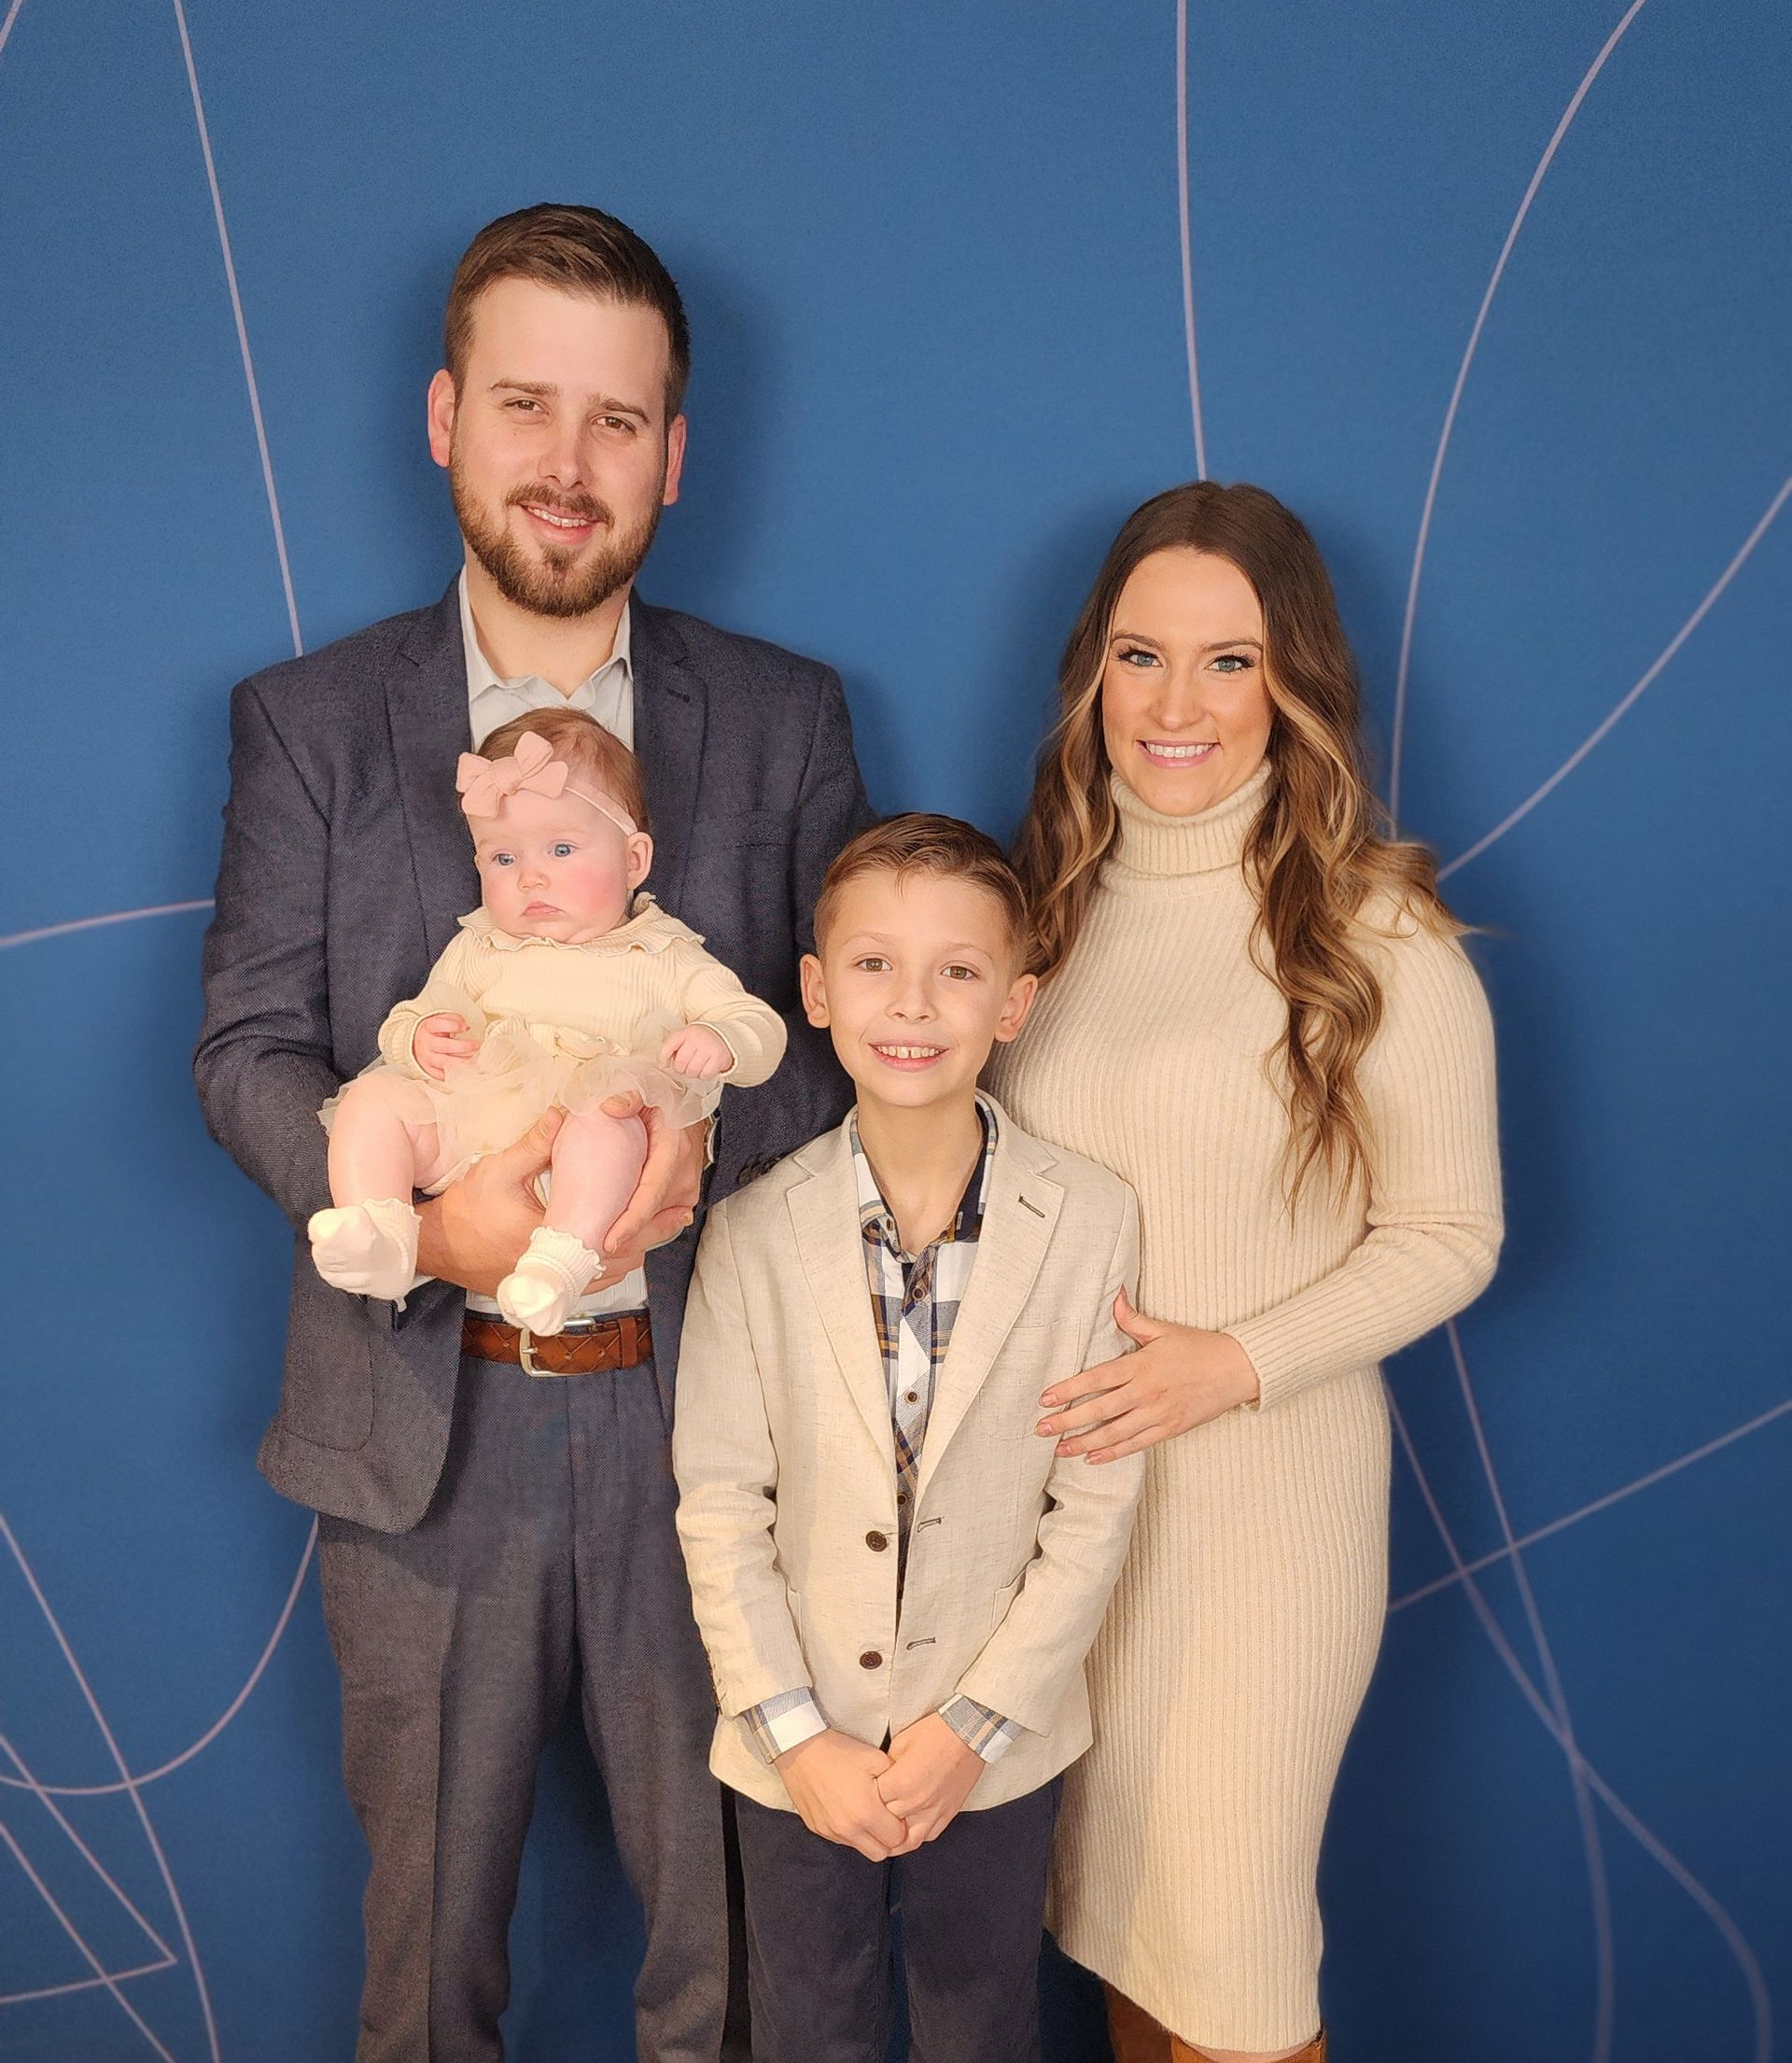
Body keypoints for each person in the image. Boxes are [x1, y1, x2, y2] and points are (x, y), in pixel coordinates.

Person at [194, 203, 871, 2063]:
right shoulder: (312, 725)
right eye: (524, 407)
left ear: (675, 453)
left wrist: (681, 1156)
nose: (567, 468)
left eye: (616, 421)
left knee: (724, 1955)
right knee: (423, 1968)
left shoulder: (786, 719)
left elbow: (846, 1052)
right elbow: (248, 1044)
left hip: (706, 1427)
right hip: (420, 1429)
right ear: (442, 419)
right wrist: (434, 1219)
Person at [989, 481, 1504, 2063]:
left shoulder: (1372, 923)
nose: (1179, 703)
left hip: (1260, 1526)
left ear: (1296, 681)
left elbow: (1450, 1233)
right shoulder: (1046, 910)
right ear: (1093, 672)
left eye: (1231, 660)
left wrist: (1233, 1360)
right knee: (1130, 1950)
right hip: (1067, 1528)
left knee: (1230, 1960)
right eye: (1144, 655)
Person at [673, 815, 1146, 2063]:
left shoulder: (1091, 1220)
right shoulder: (753, 1232)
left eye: (960, 969)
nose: (915, 1004)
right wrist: (799, 1736)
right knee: (806, 2028)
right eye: (876, 964)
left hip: (991, 1744)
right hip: (798, 1748)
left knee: (979, 2025)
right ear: (819, 991)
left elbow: (1092, 1508)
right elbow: (722, 1504)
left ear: (1016, 1001)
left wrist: (971, 1725)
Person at [311, 709, 786, 1336]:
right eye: (502, 857)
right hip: (469, 1129)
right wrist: (418, 1039)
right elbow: (417, 1013)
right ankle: (382, 1229)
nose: (531, 875)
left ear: (634, 859)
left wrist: (722, 1041)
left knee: (607, 1124)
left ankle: (558, 1263)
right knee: (372, 1100)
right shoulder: (482, 946)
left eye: (561, 849)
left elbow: (756, 1022)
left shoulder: (664, 954)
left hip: (580, 1152)